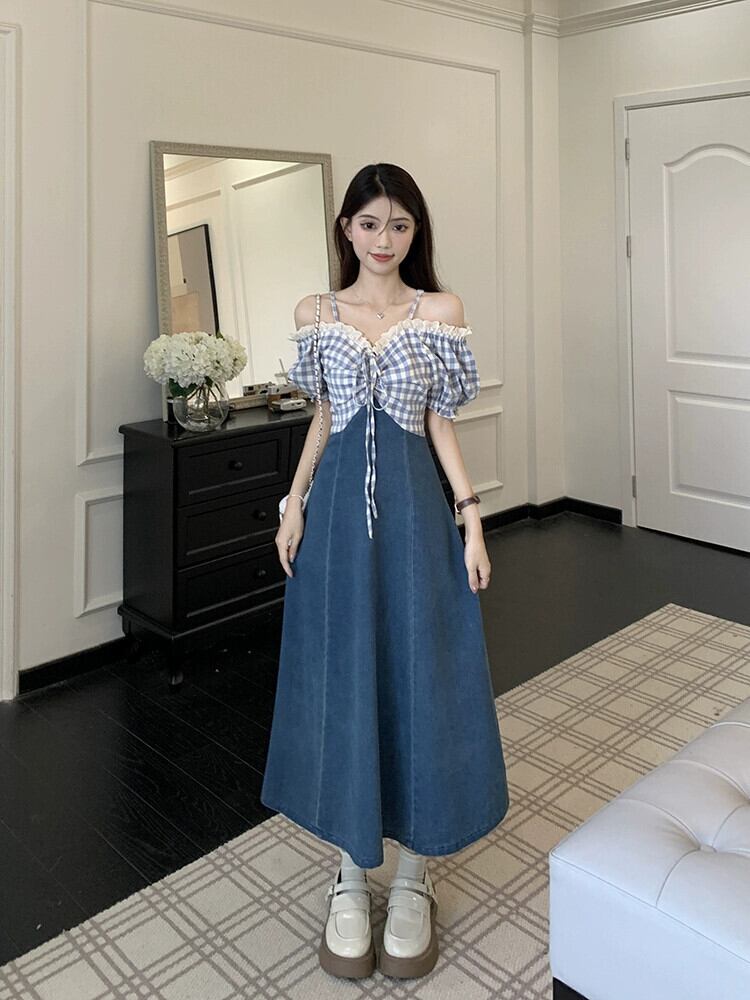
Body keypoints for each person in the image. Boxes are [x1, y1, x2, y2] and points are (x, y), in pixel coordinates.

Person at [260, 163, 509, 981]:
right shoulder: (316, 313)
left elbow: (438, 421)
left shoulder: (439, 313)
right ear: (346, 228)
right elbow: (324, 414)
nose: (384, 239)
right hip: (334, 519)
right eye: (369, 223)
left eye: (399, 225)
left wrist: (471, 517)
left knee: (420, 674)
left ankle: (412, 875)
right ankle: (347, 870)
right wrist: (294, 503)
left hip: (413, 518)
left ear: (415, 233)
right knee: (345, 678)